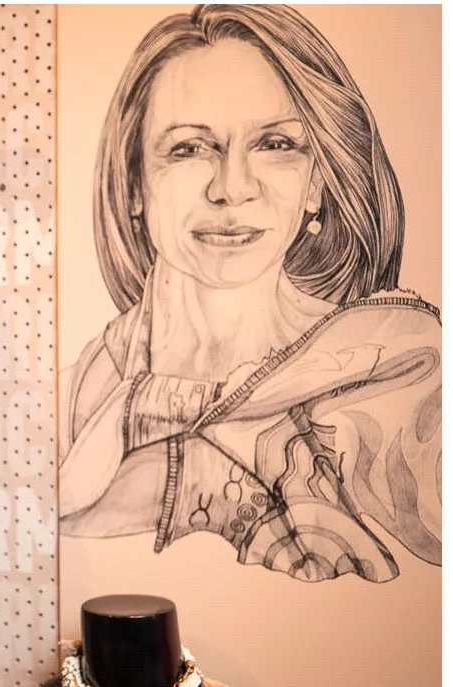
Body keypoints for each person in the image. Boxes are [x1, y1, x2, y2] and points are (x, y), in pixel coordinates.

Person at [58, 4, 440, 583]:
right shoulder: (74, 395)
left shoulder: (404, 366)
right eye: (189, 148)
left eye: (276, 144)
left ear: (317, 182)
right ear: (133, 182)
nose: (231, 187)